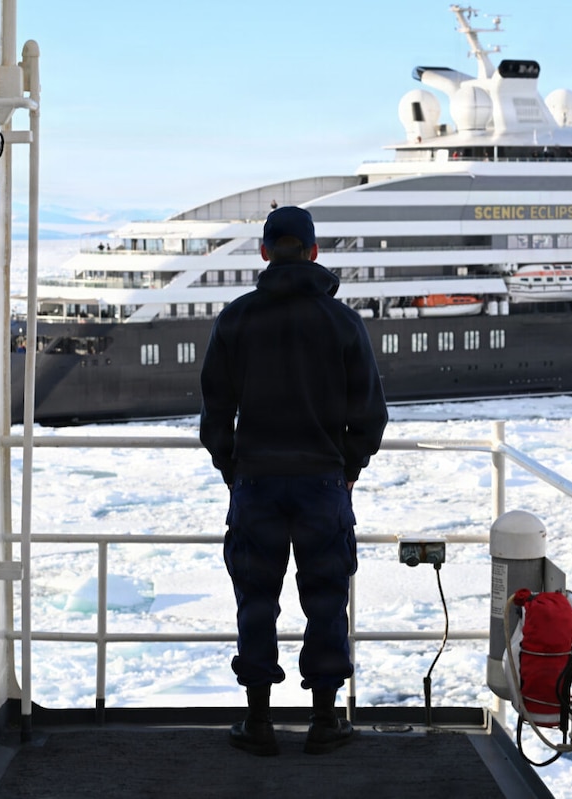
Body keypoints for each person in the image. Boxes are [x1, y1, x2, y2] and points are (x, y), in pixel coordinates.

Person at [199, 206, 388, 757]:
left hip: (255, 483)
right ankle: (325, 722)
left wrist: (233, 470)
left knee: (256, 599)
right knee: (326, 599)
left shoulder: (235, 319)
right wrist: (346, 470)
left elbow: (215, 414)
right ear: (312, 252)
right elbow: (371, 416)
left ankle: (258, 723)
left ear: (263, 253)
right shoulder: (343, 322)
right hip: (323, 486)